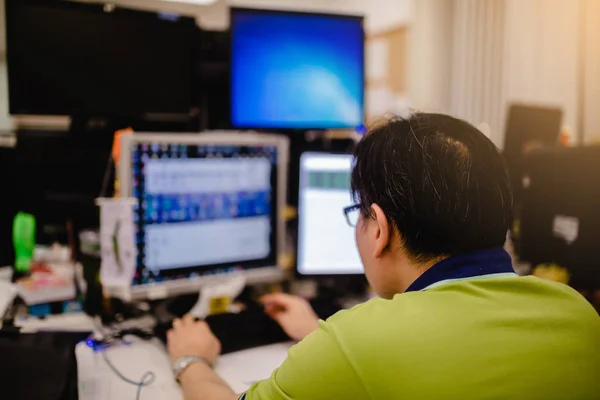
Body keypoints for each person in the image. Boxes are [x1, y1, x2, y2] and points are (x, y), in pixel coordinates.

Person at [167, 113, 600, 400]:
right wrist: (318, 334)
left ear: (379, 227)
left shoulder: (357, 341)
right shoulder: (578, 315)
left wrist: (191, 360)